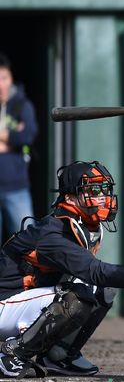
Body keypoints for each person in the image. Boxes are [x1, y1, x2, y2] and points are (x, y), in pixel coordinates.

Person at [0, 160, 124, 379]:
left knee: (103, 290)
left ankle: (59, 355)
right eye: (94, 190)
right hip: (5, 301)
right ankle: (12, 354)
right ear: (70, 198)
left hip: (21, 300)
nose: (102, 196)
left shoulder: (83, 225)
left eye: (104, 189)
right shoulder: (55, 232)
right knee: (77, 298)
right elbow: (95, 271)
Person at [0, 53, 38, 243]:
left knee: (28, 243)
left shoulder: (23, 105)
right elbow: (19, 137)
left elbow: (27, 136)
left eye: (4, 78)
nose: (0, 85)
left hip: (16, 188)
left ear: (11, 78)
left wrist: (7, 137)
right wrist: (11, 139)